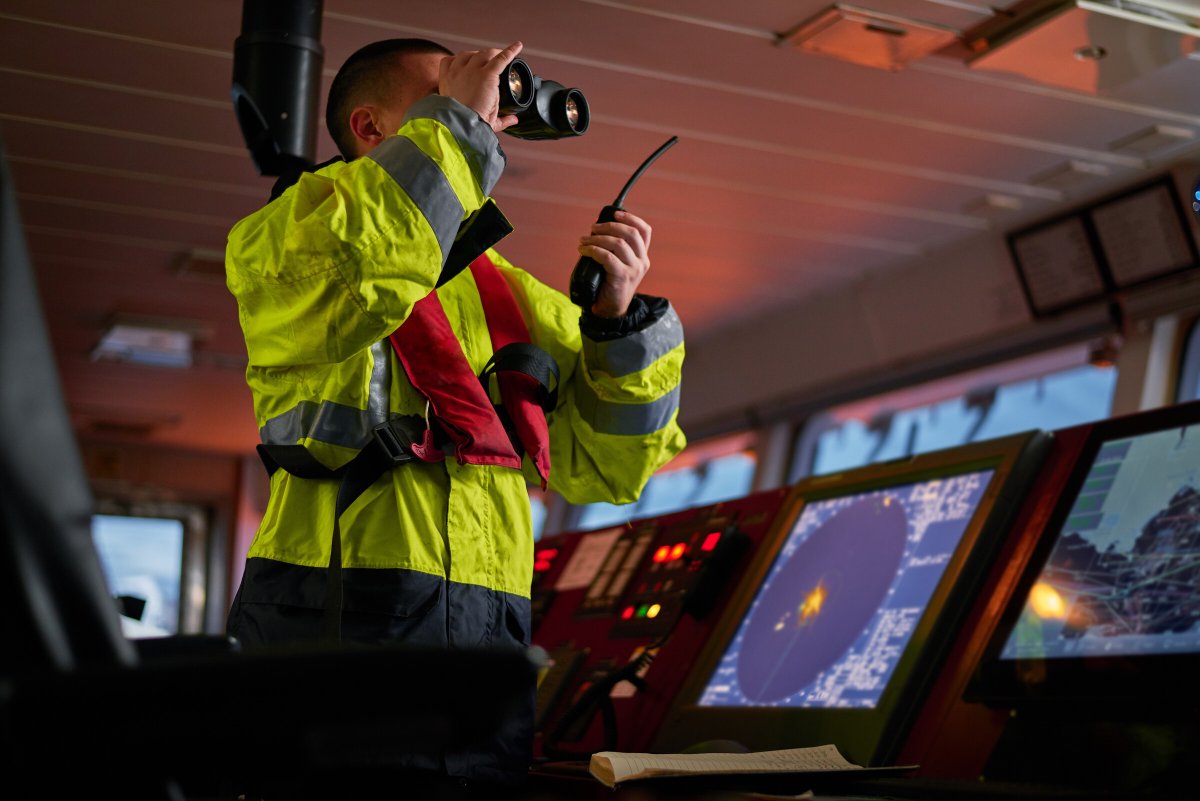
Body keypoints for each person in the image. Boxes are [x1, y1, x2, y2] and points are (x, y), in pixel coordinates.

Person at [223, 37, 686, 788]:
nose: (483, 104)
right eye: (449, 92)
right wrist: (458, 127)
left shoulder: (509, 294)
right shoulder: (287, 238)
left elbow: (608, 466)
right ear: (372, 129)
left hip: (486, 641)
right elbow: (371, 263)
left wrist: (617, 323)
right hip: (334, 623)